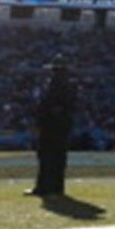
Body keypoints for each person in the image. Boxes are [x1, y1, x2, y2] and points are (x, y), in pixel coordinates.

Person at [28, 56, 77, 197]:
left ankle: (43, 187)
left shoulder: (52, 85)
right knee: (59, 157)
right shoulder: (71, 85)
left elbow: (46, 107)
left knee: (46, 156)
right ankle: (57, 187)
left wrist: (39, 123)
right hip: (63, 126)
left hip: (49, 126)